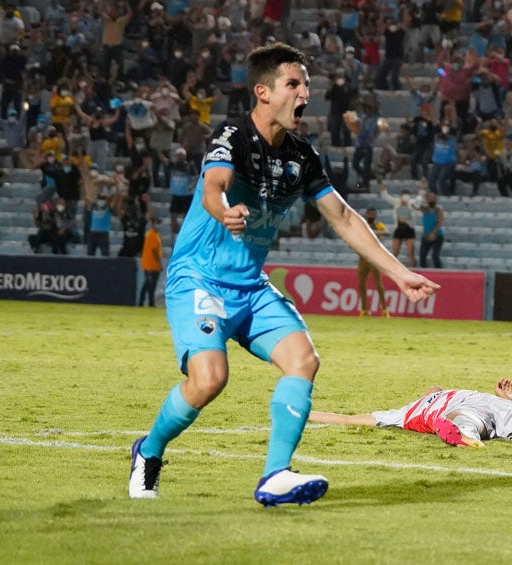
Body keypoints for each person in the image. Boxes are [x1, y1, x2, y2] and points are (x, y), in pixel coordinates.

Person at [128, 45, 439, 507]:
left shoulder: (302, 155)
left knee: (303, 360)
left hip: (251, 286)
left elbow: (344, 217)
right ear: (263, 92)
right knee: (210, 379)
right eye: (293, 84)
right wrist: (224, 211)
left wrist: (397, 273)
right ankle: (148, 451)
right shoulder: (232, 136)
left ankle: (275, 474)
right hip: (200, 280)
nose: (304, 93)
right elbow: (212, 188)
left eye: (306, 84)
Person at [309, 378, 512, 448]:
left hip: (492, 403)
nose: (433, 389)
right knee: (461, 418)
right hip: (459, 411)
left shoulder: (445, 392)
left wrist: (504, 399)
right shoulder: (403, 413)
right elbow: (346, 419)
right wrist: (303, 412)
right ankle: (466, 434)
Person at [357, 207, 391, 317]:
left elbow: (387, 232)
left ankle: (384, 309)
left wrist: (373, 232)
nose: (370, 216)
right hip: (363, 257)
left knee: (378, 284)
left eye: (372, 214)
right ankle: (364, 309)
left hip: (374, 258)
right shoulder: (363, 224)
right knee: (361, 284)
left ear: (375, 215)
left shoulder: (378, 225)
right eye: (369, 214)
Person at [379, 180, 421, 268]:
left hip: (409, 228)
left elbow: (419, 199)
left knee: (410, 253)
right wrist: (381, 185)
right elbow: (385, 196)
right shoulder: (396, 202)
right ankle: (392, 269)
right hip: (399, 228)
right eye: (404, 195)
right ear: (401, 196)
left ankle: (415, 269)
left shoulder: (412, 203)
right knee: (395, 252)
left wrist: (422, 188)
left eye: (407, 195)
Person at [139, 216, 162, 307]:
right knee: (150, 285)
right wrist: (159, 263)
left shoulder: (151, 234)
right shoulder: (153, 235)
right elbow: (154, 251)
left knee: (148, 284)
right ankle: (149, 302)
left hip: (149, 264)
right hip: (152, 265)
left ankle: (145, 302)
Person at [419, 190, 445, 269]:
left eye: (433, 198)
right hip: (426, 235)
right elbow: (415, 205)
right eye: (430, 198)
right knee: (422, 256)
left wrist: (434, 233)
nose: (431, 200)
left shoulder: (438, 210)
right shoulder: (424, 209)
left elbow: (440, 222)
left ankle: (440, 272)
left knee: (435, 256)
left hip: (437, 236)